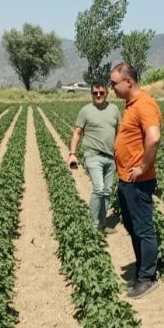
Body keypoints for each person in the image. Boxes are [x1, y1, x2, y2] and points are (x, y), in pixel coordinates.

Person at [110, 62, 162, 299]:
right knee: (132, 226)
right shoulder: (130, 105)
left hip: (138, 181)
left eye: (114, 84)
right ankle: (142, 268)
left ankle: (147, 277)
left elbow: (153, 138)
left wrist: (142, 167)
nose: (111, 88)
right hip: (126, 179)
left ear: (128, 82)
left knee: (143, 228)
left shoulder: (145, 104)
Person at [68, 83, 120, 232]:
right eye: (95, 93)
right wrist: (72, 154)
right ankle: (93, 226)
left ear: (107, 92)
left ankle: (103, 224)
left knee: (107, 190)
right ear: (91, 94)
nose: (98, 95)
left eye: (101, 92)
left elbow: (120, 132)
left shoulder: (114, 110)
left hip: (110, 157)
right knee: (99, 188)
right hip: (92, 155)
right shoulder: (86, 111)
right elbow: (77, 133)